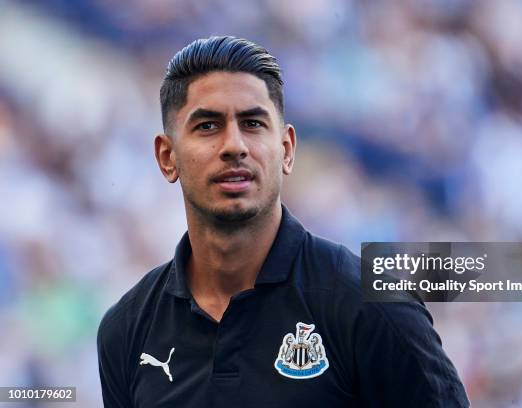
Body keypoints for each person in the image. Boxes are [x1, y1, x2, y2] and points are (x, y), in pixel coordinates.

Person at [97, 35, 470, 407]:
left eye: (253, 123)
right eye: (208, 126)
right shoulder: (127, 330)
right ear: (167, 157)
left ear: (287, 150)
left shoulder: (373, 309)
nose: (234, 146)